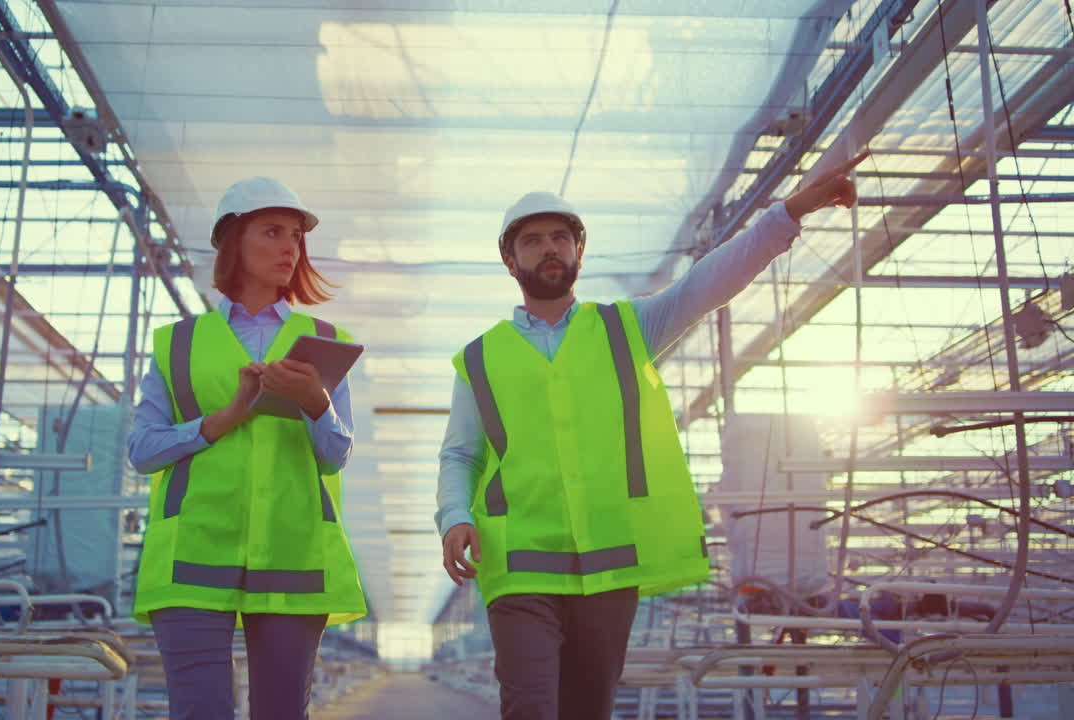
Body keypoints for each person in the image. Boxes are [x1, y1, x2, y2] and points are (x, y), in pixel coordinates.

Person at [436, 156, 867, 720]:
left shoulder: (626, 328)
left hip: (609, 564)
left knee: (588, 708)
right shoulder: (479, 356)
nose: (549, 249)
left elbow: (706, 284)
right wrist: (453, 515)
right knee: (529, 705)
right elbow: (461, 453)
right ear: (509, 259)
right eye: (534, 240)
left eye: (561, 238)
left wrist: (792, 212)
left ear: (578, 253)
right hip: (519, 561)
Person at [128, 177, 366, 720]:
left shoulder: (325, 339)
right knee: (199, 713)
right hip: (192, 554)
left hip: (292, 555)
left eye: (297, 236)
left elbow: (336, 453)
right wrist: (221, 420)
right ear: (234, 240)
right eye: (273, 232)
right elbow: (141, 451)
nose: (290, 247)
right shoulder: (178, 343)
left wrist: (314, 402)